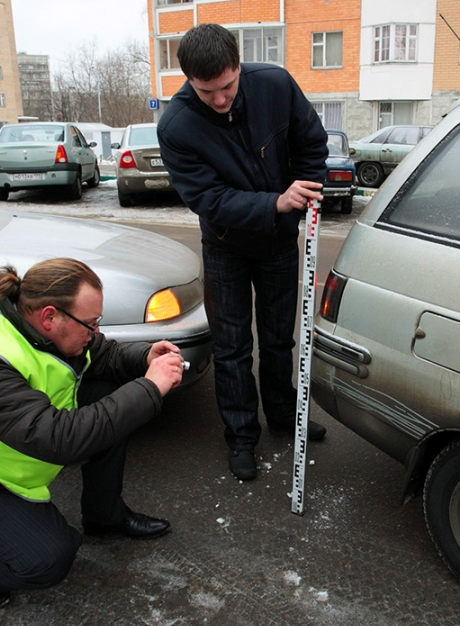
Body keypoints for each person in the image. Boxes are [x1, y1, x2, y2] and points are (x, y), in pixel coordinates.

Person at [0, 258, 185, 609]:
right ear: (50, 316)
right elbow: (59, 440)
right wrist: (149, 387)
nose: (95, 332)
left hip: (13, 447)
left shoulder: (33, 319)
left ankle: (104, 516)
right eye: (91, 323)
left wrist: (145, 357)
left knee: (108, 400)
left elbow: (101, 354)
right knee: (49, 558)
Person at [157, 23, 329, 482]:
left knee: (278, 340)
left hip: (277, 243)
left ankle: (284, 417)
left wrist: (306, 192)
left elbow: (311, 142)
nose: (219, 99)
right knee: (232, 347)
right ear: (189, 80)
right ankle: (241, 437)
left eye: (228, 86)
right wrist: (275, 202)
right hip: (225, 247)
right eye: (206, 90)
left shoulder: (274, 83)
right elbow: (206, 199)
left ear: (239, 64)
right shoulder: (176, 125)